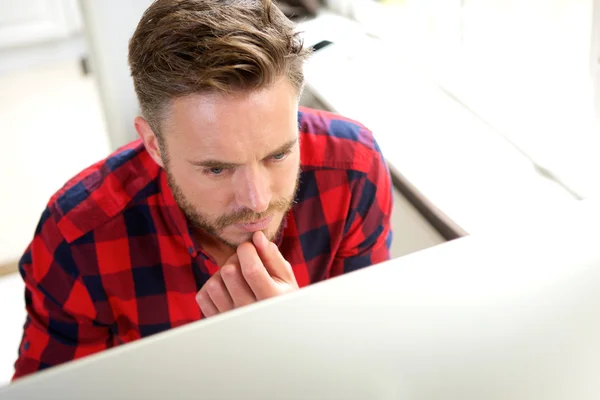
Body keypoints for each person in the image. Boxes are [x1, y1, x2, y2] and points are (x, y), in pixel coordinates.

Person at [12, 0, 392, 379]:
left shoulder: (353, 171)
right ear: (153, 145)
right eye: (216, 168)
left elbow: (373, 356)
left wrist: (294, 340)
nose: (257, 200)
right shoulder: (77, 237)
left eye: (277, 155)